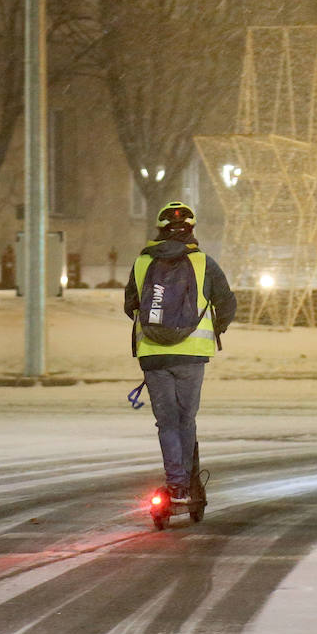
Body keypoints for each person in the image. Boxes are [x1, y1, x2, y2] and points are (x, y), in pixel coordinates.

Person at [124, 201, 236, 502]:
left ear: (159, 230)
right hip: (192, 354)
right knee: (186, 419)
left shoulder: (142, 262)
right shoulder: (204, 263)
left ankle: (175, 485)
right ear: (191, 230)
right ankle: (187, 483)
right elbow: (227, 303)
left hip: (153, 354)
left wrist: (157, 326)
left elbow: (130, 306)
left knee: (167, 422)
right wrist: (215, 328)